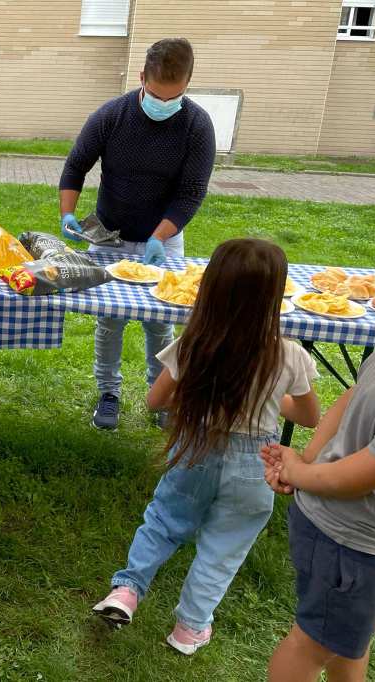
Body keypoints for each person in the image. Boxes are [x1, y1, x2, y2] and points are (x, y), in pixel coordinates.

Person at [93, 239, 320, 655]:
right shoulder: (289, 356)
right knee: (223, 547)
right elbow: (308, 418)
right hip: (257, 463)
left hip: (196, 447)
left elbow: (155, 400)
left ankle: (126, 591)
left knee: (163, 521)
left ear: (210, 288)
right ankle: (189, 629)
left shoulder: (194, 342)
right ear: (275, 296)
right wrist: (273, 397)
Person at [59, 38, 216, 430]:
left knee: (160, 320)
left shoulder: (197, 126)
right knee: (109, 319)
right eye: (155, 95)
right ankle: (108, 393)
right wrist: (68, 214)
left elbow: (191, 192)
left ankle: (159, 395)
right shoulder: (112, 115)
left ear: (187, 84)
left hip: (162, 240)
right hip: (109, 234)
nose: (163, 105)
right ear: (141, 77)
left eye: (173, 97)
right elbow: (76, 165)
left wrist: (159, 237)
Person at [262, 337, 375, 682]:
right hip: (350, 537)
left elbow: (351, 394)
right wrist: (300, 472)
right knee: (313, 644)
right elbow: (359, 476)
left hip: (333, 525)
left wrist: (305, 461)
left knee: (354, 630)